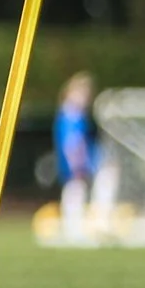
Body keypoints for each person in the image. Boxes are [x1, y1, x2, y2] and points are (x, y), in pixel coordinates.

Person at [53, 72, 116, 245]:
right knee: (75, 191)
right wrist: (76, 163)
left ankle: (88, 227)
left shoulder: (78, 115)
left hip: (82, 161)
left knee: (80, 190)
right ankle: (74, 229)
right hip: (76, 163)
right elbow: (71, 142)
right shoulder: (70, 115)